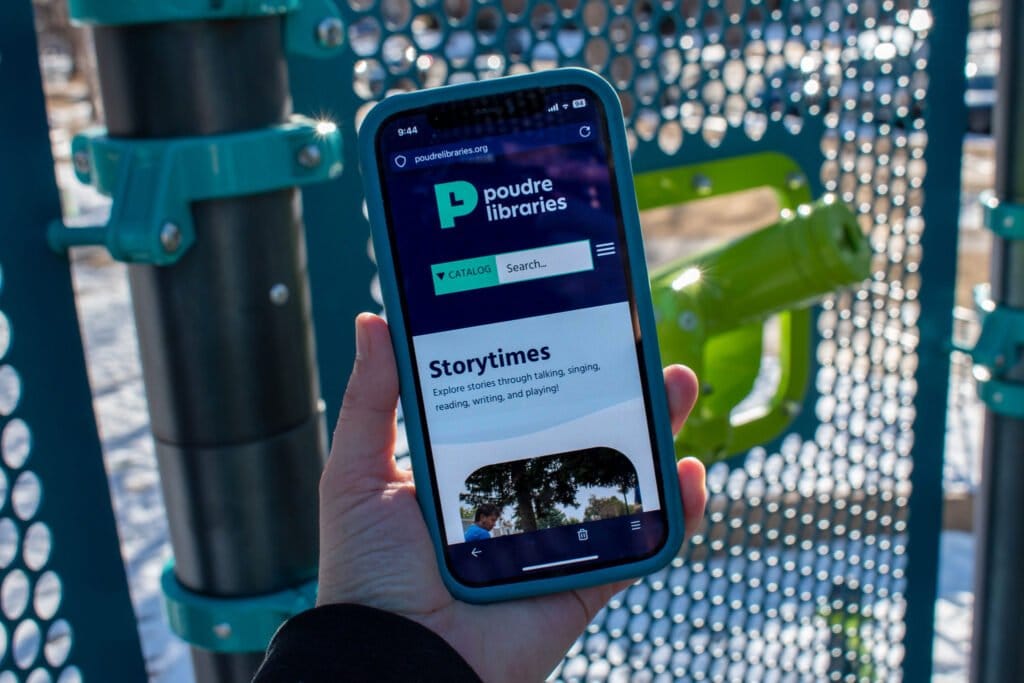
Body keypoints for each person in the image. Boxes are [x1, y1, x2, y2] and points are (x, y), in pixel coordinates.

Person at [254, 313, 707, 682]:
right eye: (490, 516)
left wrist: (385, 643)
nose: (492, 522)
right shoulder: (470, 538)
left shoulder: (472, 540)